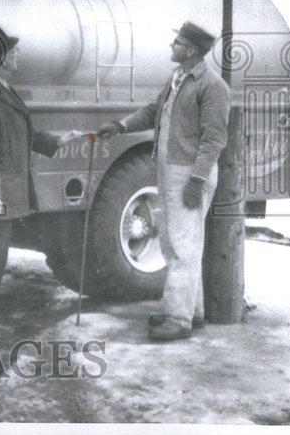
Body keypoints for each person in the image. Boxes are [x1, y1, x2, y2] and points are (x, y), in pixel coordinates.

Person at [98, 21, 230, 341]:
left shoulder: (212, 86)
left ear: (192, 50)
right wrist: (120, 125)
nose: (172, 46)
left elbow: (214, 140)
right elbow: (153, 111)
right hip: (171, 170)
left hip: (189, 173)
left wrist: (196, 180)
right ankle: (190, 311)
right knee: (175, 243)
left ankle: (177, 318)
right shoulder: (177, 79)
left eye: (178, 42)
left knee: (183, 245)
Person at [0, 26, 78, 339]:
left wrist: (54, 141)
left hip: (3, 195)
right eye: (12, 49)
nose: (17, 54)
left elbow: (16, 135)